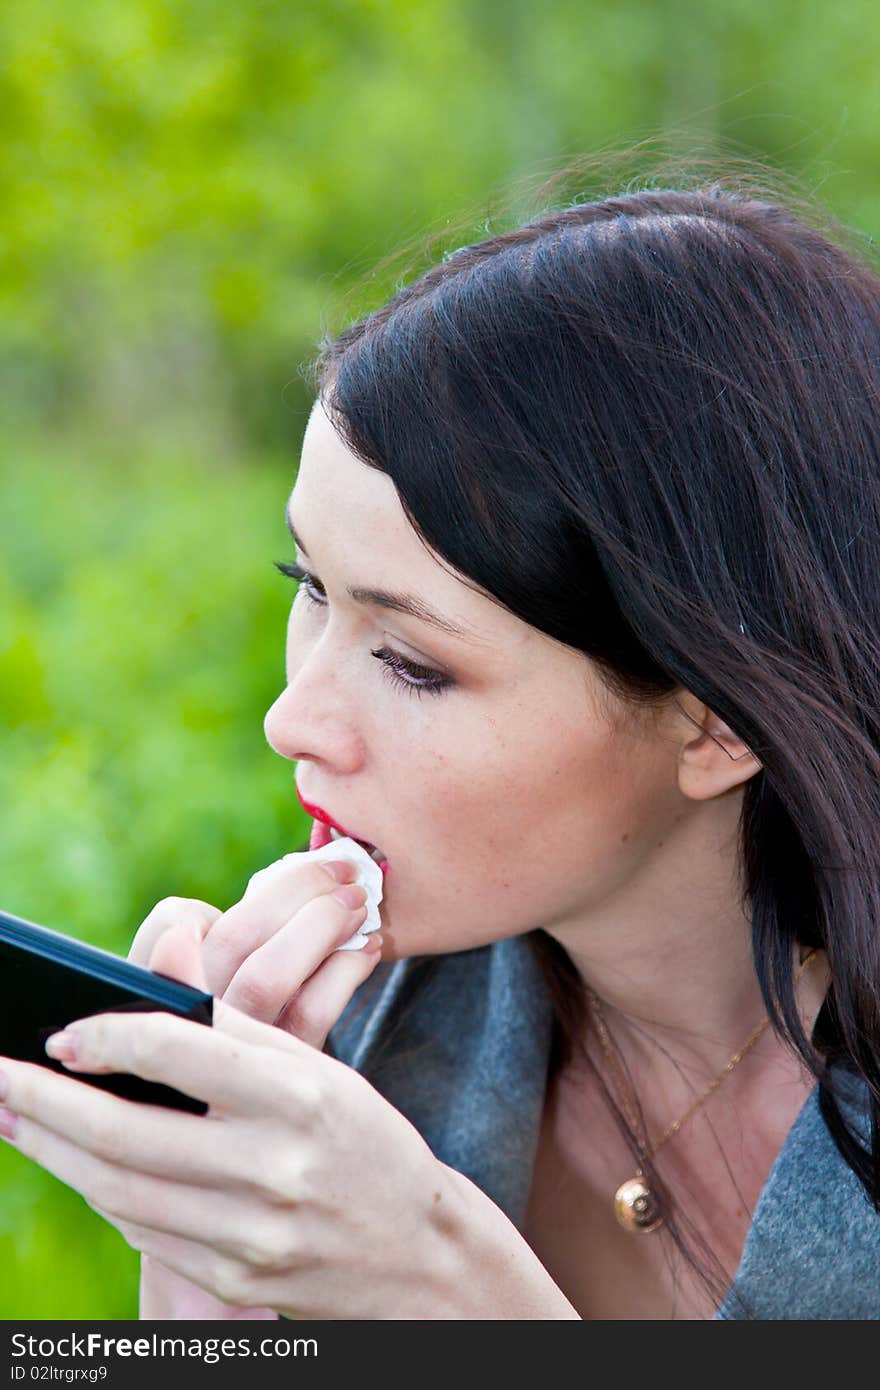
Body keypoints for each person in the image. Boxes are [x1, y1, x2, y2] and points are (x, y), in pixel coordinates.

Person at [1, 172, 879, 1320]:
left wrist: (458, 1284)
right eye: (309, 587)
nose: (290, 721)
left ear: (716, 718)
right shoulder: (370, 1041)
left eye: (414, 663)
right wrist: (208, 1273)